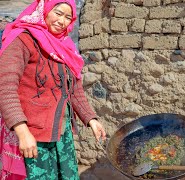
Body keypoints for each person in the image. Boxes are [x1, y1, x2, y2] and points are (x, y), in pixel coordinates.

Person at [0, 0, 107, 179]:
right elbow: (5, 87)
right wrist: (22, 132)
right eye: (58, 13)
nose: (62, 21)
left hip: (60, 134)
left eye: (68, 17)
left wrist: (90, 118)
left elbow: (73, 87)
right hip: (32, 136)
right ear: (45, 10)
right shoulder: (23, 39)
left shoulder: (64, 46)